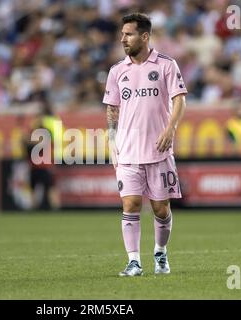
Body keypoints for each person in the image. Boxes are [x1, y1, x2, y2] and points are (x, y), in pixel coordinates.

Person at [103, 13, 188, 277]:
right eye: (122, 34)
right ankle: (133, 261)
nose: (123, 39)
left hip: (159, 150)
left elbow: (180, 100)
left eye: (128, 34)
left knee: (161, 209)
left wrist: (170, 128)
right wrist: (111, 141)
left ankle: (160, 253)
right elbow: (112, 109)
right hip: (127, 151)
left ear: (145, 36)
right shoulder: (117, 71)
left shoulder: (166, 64)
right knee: (130, 205)